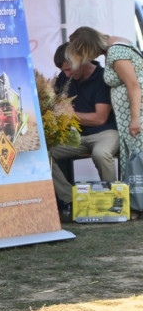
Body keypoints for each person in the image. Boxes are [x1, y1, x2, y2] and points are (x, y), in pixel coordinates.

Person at [66, 26, 143, 220]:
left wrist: (135, 118)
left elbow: (133, 85)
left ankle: (135, 206)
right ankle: (135, 206)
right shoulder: (115, 46)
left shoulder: (116, 52)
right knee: (134, 161)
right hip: (130, 116)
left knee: (138, 160)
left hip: (136, 114)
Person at [48, 42, 119, 220]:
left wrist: (68, 114)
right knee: (44, 154)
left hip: (106, 132)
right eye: (63, 71)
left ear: (82, 60)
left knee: (101, 153)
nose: (66, 74)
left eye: (69, 69)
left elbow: (100, 118)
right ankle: (73, 201)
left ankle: (112, 202)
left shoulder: (103, 78)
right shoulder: (65, 78)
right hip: (79, 136)